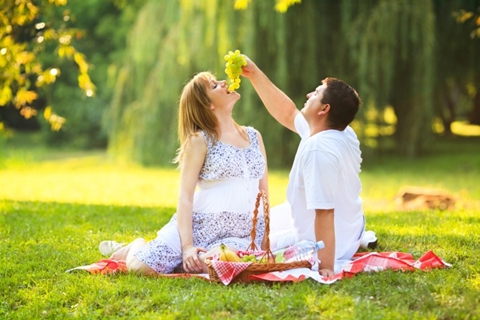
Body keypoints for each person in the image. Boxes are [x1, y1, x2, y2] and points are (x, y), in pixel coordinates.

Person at [99, 71, 268, 275]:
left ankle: (186, 262)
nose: (224, 82)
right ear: (208, 105)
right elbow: (185, 196)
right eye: (214, 86)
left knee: (224, 264)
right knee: (140, 268)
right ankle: (136, 247)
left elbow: (263, 194)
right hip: (197, 226)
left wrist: (265, 238)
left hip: (239, 232)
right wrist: (187, 246)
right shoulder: (200, 140)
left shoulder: (254, 136)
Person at [241, 56, 366, 277]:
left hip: (328, 241)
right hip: (351, 226)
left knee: (248, 242)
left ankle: (329, 254)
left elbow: (325, 212)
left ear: (324, 109)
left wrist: (326, 267)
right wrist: (254, 73)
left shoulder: (320, 150)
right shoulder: (339, 129)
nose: (309, 95)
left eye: (316, 93)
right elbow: (288, 113)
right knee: (252, 220)